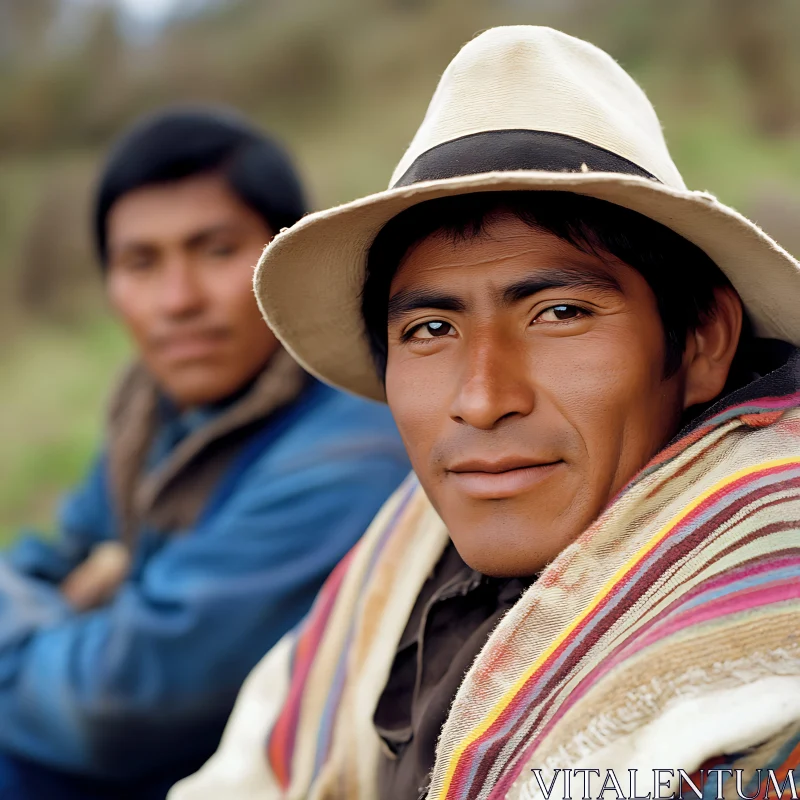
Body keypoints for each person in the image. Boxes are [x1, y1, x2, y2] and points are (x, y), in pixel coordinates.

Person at [171, 27, 800, 800]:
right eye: (431, 330)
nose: (482, 398)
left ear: (702, 339)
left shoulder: (766, 612)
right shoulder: (406, 541)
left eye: (560, 312)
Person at [0, 108, 410, 799]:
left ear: (287, 260)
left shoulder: (350, 450)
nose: (178, 300)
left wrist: (54, 621)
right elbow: (63, 549)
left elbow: (111, 705)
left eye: (216, 251)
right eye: (140, 262)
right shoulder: (156, 413)